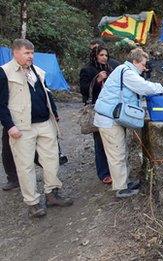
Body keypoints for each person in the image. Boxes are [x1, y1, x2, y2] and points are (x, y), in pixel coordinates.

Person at [0, 39, 73, 218]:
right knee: (25, 167)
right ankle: (32, 203)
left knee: (51, 160)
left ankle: (52, 194)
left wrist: (54, 114)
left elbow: (46, 94)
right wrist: (9, 126)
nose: (31, 56)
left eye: (32, 53)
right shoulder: (5, 73)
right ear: (15, 53)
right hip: (22, 127)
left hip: (44, 123)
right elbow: (1, 104)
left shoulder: (37, 71)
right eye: (27, 53)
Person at [93, 48, 163, 198]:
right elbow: (144, 87)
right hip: (108, 118)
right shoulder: (127, 72)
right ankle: (120, 189)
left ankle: (123, 182)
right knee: (117, 153)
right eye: (143, 64)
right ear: (135, 62)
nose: (144, 67)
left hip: (112, 116)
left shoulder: (125, 71)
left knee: (120, 151)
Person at [79, 45, 113, 184]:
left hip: (110, 108)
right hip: (97, 110)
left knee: (112, 140)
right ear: (95, 55)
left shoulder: (109, 69)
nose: (104, 57)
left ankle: (114, 169)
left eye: (106, 55)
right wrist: (97, 80)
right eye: (101, 55)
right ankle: (103, 172)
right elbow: (83, 90)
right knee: (99, 142)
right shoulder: (87, 70)